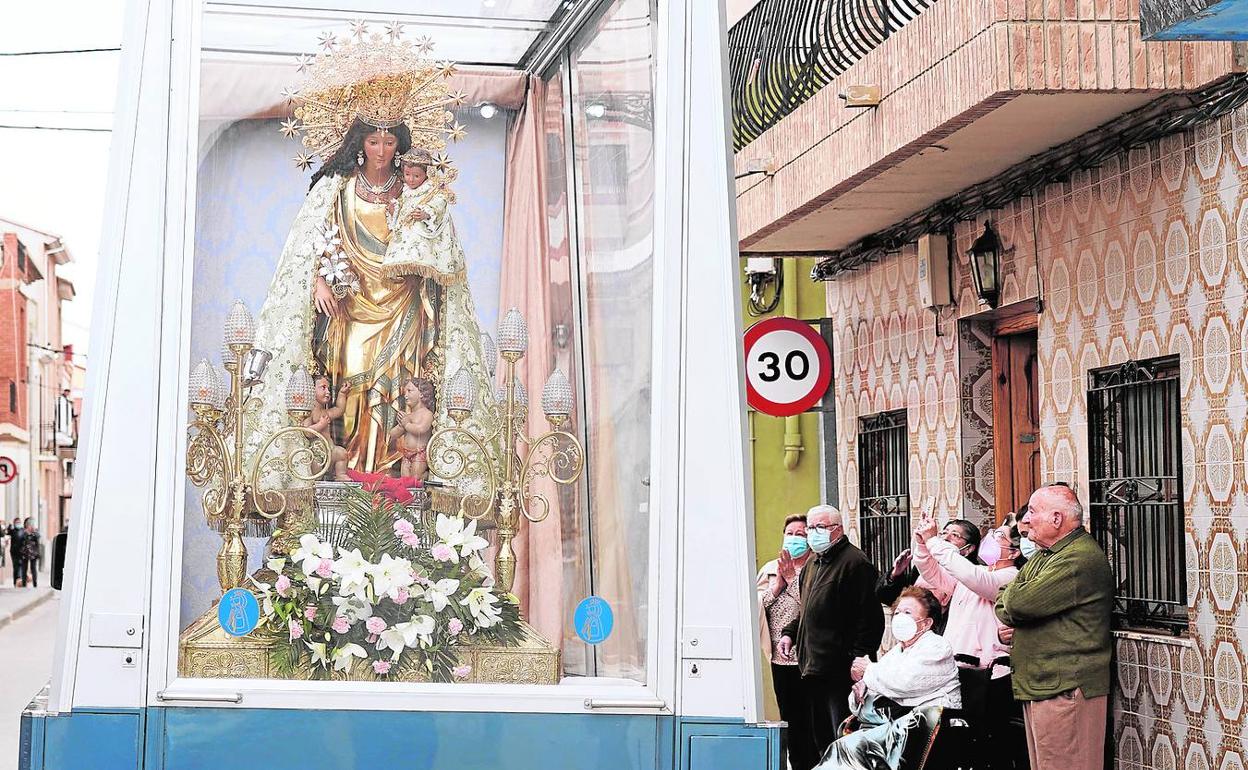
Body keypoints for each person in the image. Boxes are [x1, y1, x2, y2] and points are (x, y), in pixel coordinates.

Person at [242, 38, 500, 481]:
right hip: (351, 303)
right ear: (360, 143)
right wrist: (320, 282)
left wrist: (427, 256)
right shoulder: (336, 188)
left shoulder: (417, 192)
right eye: (374, 141)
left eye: (389, 142)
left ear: (400, 145)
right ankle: (351, 473)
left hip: (404, 304)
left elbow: (441, 247)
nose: (382, 151)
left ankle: (391, 478)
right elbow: (309, 246)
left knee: (401, 388)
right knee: (354, 376)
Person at [995, 484, 1112, 770]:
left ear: (1057, 519)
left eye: (1033, 511)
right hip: (1044, 685)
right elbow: (1003, 603)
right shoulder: (1047, 555)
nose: (1026, 520)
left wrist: (1015, 602)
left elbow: (1019, 603)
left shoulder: (1077, 557)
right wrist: (1015, 603)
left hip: (1065, 688)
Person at [914, 513, 1026, 769]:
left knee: (990, 747)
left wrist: (935, 543)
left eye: (998, 537)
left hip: (990, 676)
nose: (990, 538)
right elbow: (932, 572)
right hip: (958, 670)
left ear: (1014, 551)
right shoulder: (977, 572)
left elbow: (978, 581)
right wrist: (922, 542)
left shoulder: (1008, 577)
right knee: (961, 744)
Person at [778, 505, 885, 764]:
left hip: (840, 669)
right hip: (812, 667)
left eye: (820, 527)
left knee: (842, 737)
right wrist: (790, 633)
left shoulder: (855, 563)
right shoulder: (813, 562)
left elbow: (870, 618)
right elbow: (807, 609)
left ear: (837, 529)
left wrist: (859, 656)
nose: (813, 533)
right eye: (811, 528)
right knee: (820, 738)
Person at [816, 587, 961, 770]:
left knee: (850, 748)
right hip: (895, 722)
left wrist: (868, 671)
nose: (900, 617)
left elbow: (905, 682)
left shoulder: (937, 647)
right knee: (845, 746)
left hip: (929, 725)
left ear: (926, 623)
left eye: (908, 612)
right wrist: (862, 690)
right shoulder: (897, 651)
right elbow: (878, 684)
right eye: (898, 612)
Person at [756, 514, 816, 770]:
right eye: (790, 533)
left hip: (810, 656)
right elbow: (756, 608)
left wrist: (793, 582)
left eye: (801, 534)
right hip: (780, 658)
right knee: (790, 716)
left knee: (812, 718)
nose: (795, 538)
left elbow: (814, 608)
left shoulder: (816, 569)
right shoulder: (770, 569)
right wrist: (777, 587)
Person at [876, 519, 977, 633]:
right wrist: (895, 574)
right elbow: (887, 597)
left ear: (969, 549)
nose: (946, 538)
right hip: (915, 633)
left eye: (955, 535)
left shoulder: (972, 577)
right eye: (944, 533)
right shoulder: (925, 566)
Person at [389, 377, 436, 480]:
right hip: (406, 454)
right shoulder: (409, 416)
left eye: (409, 391)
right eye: (405, 392)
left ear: (421, 394)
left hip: (419, 454)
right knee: (405, 480)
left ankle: (428, 477)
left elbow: (421, 429)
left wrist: (406, 425)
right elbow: (393, 435)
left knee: (415, 479)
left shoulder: (427, 414)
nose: (405, 395)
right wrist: (401, 425)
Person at [305, 375, 351, 481]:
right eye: (323, 388)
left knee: (342, 454)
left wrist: (342, 394)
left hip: (330, 450)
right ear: (311, 390)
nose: (328, 392)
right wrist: (320, 425)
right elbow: (307, 432)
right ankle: (317, 480)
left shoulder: (325, 412)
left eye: (328, 388)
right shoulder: (309, 411)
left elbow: (339, 409)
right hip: (317, 453)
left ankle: (340, 475)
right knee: (316, 465)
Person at [21, 518, 39, 588]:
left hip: (33, 554)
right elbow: (21, 541)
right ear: (26, 525)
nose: (30, 526)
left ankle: (35, 583)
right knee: (24, 568)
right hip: (24, 553)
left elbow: (37, 542)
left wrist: (34, 532)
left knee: (33, 568)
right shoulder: (23, 533)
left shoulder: (35, 533)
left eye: (32, 525)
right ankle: (24, 584)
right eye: (29, 525)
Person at [8, 518, 25, 587]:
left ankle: (21, 581)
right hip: (14, 552)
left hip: (22, 552)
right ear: (14, 523)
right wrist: (9, 526)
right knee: (15, 567)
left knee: (22, 566)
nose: (18, 524)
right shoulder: (12, 531)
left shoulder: (23, 530)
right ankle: (15, 582)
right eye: (16, 522)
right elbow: (7, 533)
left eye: (19, 522)